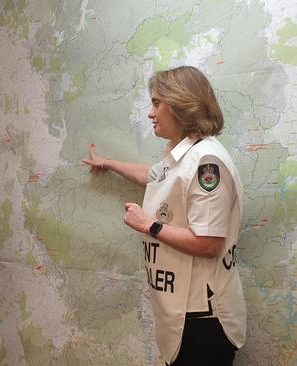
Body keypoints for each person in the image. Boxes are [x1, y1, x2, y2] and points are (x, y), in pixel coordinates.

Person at [83, 66, 246, 365]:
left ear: (181, 104)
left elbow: (208, 244)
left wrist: (149, 225)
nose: (151, 112)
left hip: (203, 319)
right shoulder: (183, 154)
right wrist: (106, 163)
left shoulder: (205, 161)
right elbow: (152, 176)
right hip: (186, 313)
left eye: (157, 103)